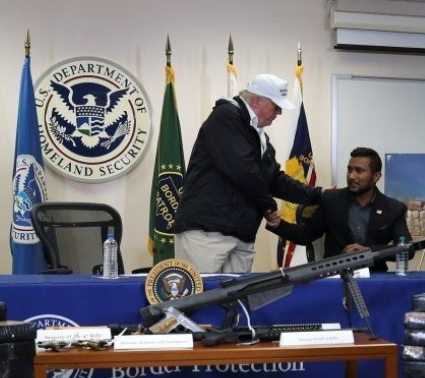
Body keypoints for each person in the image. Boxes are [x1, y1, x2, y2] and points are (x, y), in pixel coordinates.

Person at [170, 73, 320, 273]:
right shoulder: (225, 118)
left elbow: (273, 179)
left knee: (236, 302)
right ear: (256, 100)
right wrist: (268, 206)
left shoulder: (258, 135)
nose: (279, 113)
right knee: (200, 299)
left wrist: (316, 195)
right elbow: (241, 169)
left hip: (241, 236)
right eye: (276, 106)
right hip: (206, 234)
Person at [265, 147, 411, 272]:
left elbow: (406, 249)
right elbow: (305, 235)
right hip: (335, 277)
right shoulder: (331, 200)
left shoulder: (393, 208)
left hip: (375, 280)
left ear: (376, 176)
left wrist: (369, 252)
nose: (352, 176)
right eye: (349, 170)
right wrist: (276, 223)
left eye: (359, 171)